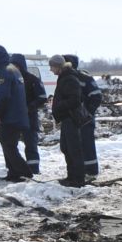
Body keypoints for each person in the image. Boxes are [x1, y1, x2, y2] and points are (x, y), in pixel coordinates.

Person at [50, 54, 102, 187]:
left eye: (52, 67)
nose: (51, 70)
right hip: (72, 117)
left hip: (78, 118)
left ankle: (83, 175)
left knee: (80, 148)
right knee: (68, 148)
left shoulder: (74, 78)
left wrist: (87, 112)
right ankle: (74, 176)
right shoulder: (67, 77)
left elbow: (79, 99)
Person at [0, 45, 31, 182]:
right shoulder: (14, 70)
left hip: (9, 117)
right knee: (9, 145)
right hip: (17, 115)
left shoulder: (3, 73)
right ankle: (13, 172)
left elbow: (3, 96)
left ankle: (23, 171)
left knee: (9, 146)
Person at [12, 52, 46, 174]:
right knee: (12, 145)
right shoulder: (12, 79)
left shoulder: (33, 80)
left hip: (30, 117)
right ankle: (16, 169)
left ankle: (33, 169)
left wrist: (30, 107)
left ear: (20, 65)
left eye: (15, 65)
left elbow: (42, 98)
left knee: (31, 144)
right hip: (14, 117)